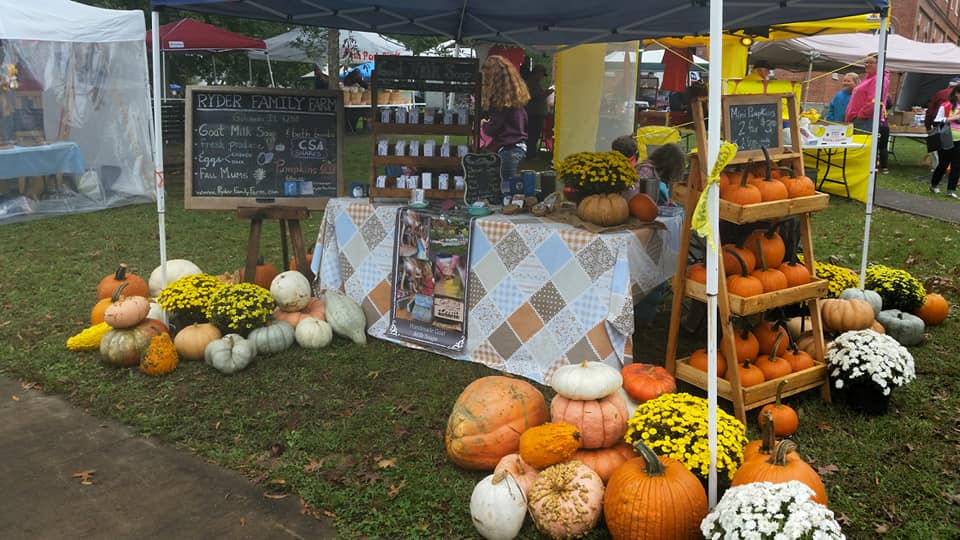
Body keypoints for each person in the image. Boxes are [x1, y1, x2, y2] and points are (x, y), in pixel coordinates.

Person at [480, 55, 529, 185]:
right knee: (515, 189)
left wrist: (484, 125)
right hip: (520, 147)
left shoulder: (500, 104)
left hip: (508, 150)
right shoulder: (516, 101)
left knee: (506, 189)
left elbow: (493, 128)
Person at [928, 85, 960, 198]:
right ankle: (934, 184)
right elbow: (937, 120)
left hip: (959, 139)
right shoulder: (946, 105)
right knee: (943, 164)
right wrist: (952, 118)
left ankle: (951, 190)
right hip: (946, 138)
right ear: (956, 94)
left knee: (957, 165)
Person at [523, 64, 552, 159]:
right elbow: (535, 96)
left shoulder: (534, 83)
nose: (542, 77)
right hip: (533, 114)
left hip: (536, 114)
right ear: (538, 73)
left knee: (534, 135)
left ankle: (531, 153)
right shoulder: (531, 83)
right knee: (532, 134)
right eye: (542, 74)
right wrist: (547, 93)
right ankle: (530, 154)